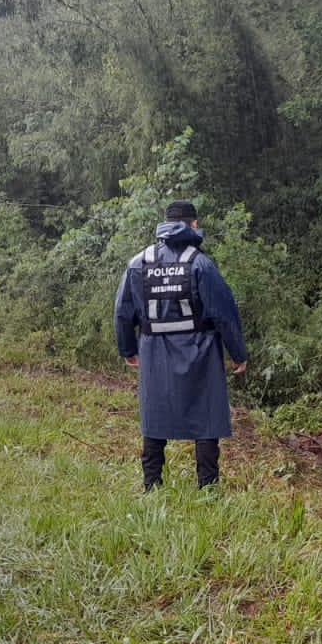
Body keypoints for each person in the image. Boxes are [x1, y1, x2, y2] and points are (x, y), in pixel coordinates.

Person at [114, 200, 248, 490]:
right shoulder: (200, 263)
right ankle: (208, 488)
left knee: (155, 415)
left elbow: (123, 312)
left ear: (165, 225)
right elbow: (224, 313)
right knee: (207, 416)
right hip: (200, 352)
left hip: (154, 352)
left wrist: (128, 349)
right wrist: (238, 354)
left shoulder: (138, 263)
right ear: (194, 224)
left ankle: (152, 485)